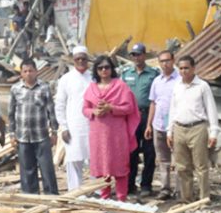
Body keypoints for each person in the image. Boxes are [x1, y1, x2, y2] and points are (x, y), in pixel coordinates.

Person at [83, 55, 139, 201]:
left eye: (106, 67)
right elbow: (85, 109)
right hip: (98, 133)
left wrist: (111, 108)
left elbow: (129, 107)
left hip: (116, 133)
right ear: (96, 70)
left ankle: (121, 198)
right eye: (100, 68)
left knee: (119, 165)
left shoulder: (120, 86)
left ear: (111, 69)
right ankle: (105, 198)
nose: (103, 70)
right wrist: (93, 112)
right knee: (102, 166)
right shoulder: (91, 88)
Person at [166, 55, 219, 202]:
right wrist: (169, 131)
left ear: (193, 68)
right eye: (181, 68)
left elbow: (211, 109)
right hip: (179, 128)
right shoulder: (177, 86)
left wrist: (213, 132)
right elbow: (173, 110)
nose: (184, 71)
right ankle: (187, 199)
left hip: (198, 128)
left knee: (201, 167)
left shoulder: (202, 86)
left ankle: (204, 199)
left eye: (186, 68)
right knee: (182, 168)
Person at [9, 58, 58, 195]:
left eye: (31, 70)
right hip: (23, 138)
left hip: (41, 136)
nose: (28, 74)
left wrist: (54, 132)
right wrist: (12, 134)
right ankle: (30, 198)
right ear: (21, 74)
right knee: (27, 170)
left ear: (36, 72)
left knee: (47, 169)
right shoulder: (15, 89)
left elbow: (51, 111)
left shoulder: (44, 88)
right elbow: (11, 113)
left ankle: (51, 196)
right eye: (25, 71)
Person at [122, 43, 159, 197]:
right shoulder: (126, 74)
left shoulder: (153, 74)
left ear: (144, 55)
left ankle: (146, 185)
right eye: (133, 55)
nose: (136, 58)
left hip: (147, 115)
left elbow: (156, 97)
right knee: (131, 152)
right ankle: (129, 185)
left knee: (150, 152)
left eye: (139, 54)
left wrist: (150, 122)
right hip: (130, 116)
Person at [55, 46, 92, 191]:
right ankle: (75, 193)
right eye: (78, 59)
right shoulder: (66, 79)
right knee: (74, 160)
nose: (81, 61)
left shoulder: (94, 77)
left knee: (94, 160)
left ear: (87, 59)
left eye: (83, 58)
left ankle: (96, 192)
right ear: (73, 60)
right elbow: (59, 104)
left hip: (92, 126)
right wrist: (63, 127)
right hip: (73, 126)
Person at [144, 50, 179, 199]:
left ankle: (179, 190)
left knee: (178, 159)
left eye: (167, 60)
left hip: (176, 125)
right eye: (162, 61)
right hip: (159, 125)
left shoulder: (180, 80)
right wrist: (148, 125)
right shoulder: (157, 81)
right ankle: (165, 189)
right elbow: (153, 103)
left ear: (173, 60)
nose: (165, 64)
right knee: (163, 159)